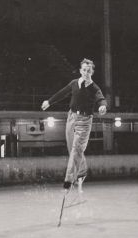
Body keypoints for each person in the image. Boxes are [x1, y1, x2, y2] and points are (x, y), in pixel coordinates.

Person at [41, 58, 107, 192]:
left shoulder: (94, 88)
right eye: (84, 70)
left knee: (77, 149)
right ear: (80, 71)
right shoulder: (74, 83)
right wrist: (49, 101)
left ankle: (68, 181)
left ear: (92, 72)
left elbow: (101, 99)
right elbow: (63, 93)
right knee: (72, 147)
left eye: (89, 71)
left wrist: (102, 106)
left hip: (84, 120)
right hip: (71, 117)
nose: (86, 73)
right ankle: (82, 172)